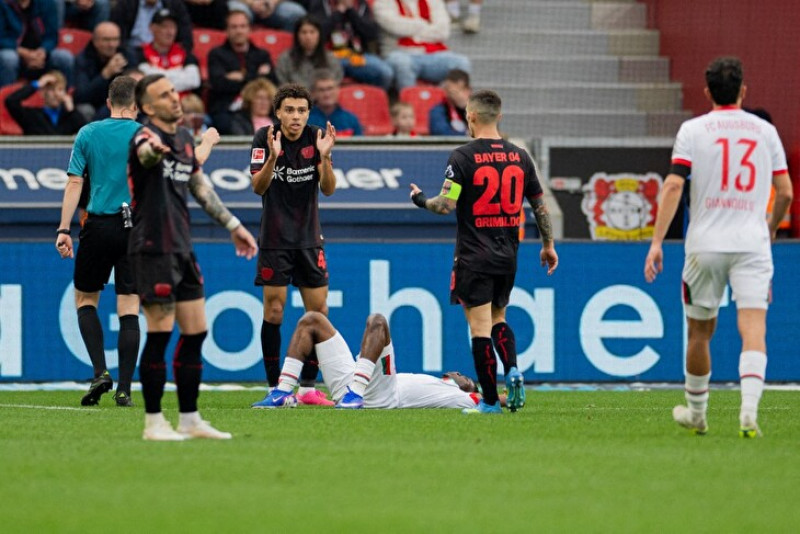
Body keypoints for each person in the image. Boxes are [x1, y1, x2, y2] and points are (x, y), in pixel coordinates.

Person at [643, 57, 793, 438]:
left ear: (707, 91)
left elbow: (674, 185)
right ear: (743, 90)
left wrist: (657, 242)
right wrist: (769, 228)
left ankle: (697, 413)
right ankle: (749, 412)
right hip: (751, 243)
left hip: (705, 244)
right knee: (753, 326)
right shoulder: (765, 132)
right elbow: (786, 192)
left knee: (699, 331)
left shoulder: (693, 130)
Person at [408, 89, 558, 414]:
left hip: (474, 255)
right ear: (499, 116)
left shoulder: (462, 157)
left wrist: (420, 199)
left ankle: (490, 401)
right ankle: (512, 368)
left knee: (479, 328)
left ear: (471, 116)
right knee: (499, 318)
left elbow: (445, 205)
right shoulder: (521, 156)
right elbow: (540, 206)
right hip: (508, 255)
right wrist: (548, 245)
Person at [129, 73, 258, 440]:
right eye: (164, 95)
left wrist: (233, 224)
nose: (174, 97)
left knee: (197, 331)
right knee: (159, 334)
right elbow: (145, 154)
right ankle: (154, 422)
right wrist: (154, 151)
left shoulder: (185, 139)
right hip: (152, 247)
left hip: (181, 245)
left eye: (174, 91)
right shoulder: (144, 137)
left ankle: (189, 419)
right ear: (148, 107)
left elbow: (199, 187)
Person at [248, 83, 337, 408]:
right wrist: (273, 157)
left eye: (301, 110)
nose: (296, 116)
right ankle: (276, 388)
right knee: (274, 311)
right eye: (289, 110)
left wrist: (325, 157)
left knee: (318, 313)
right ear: (278, 113)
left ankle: (308, 389)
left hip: (309, 239)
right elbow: (258, 187)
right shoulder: (265, 138)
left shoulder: (317, 137)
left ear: (308, 113)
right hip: (275, 239)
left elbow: (328, 189)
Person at [55, 76, 142, 408]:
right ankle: (124, 389)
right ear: (136, 105)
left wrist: (64, 229)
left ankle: (100, 372)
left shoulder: (88, 133)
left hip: (99, 225)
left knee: (85, 299)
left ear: (108, 103)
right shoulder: (145, 135)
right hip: (134, 227)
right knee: (129, 307)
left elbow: (75, 182)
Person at [258, 311, 484, 409]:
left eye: (466, 378)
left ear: (466, 388)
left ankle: (354, 395)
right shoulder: (436, 381)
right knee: (312, 320)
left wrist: (501, 396)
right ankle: (282, 391)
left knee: (378, 321)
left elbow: (491, 400)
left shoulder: (458, 396)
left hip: (380, 395)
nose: (460, 373)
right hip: (354, 380)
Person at [207, 8, 278, 135]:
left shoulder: (262, 54)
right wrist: (256, 76)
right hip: (226, 109)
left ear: (249, 29)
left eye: (242, 26)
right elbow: (219, 85)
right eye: (234, 27)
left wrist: (240, 77)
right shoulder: (216, 54)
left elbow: (271, 84)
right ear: (226, 30)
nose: (239, 31)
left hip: (258, 107)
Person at [372, 0, 471, 90]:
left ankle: (452, 102)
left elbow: (443, 32)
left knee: (461, 62)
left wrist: (413, 31)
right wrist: (424, 24)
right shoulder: (383, 2)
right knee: (402, 63)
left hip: (432, 54)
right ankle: (410, 101)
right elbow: (395, 27)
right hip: (400, 53)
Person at [307, 0, 393, 90]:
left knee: (385, 73)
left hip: (357, 55)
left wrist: (351, 11)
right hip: (329, 56)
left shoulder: (361, 5)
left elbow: (371, 34)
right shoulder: (321, 4)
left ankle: (371, 97)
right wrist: (338, 13)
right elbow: (318, 33)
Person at [0, 0, 74, 87]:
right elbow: (2, 38)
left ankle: (64, 93)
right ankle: (5, 94)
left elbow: (52, 36)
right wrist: (22, 52)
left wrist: (43, 51)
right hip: (16, 52)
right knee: (8, 58)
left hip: (41, 55)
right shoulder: (3, 4)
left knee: (64, 57)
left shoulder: (47, 3)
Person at [132, 9, 202, 96]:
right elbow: (144, 82)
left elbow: (194, 81)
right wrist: (178, 73)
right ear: (152, 28)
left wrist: (157, 76)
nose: (170, 32)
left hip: (182, 102)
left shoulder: (185, 52)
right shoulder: (140, 53)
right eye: (164, 27)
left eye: (173, 27)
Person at [73, 22, 131, 121]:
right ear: (95, 41)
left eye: (115, 39)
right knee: (85, 110)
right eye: (106, 40)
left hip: (120, 104)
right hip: (96, 105)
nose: (112, 44)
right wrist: (105, 74)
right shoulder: (83, 59)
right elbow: (81, 96)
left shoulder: (126, 54)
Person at [5, 71, 86, 135]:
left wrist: (72, 110)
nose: (56, 94)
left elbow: (87, 135)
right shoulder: (32, 116)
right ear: (42, 93)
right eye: (51, 89)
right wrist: (37, 84)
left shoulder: (70, 116)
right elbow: (11, 101)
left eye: (60, 89)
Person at [275, 15, 343, 88]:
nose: (308, 37)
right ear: (297, 35)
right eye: (304, 32)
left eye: (312, 32)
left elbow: (336, 82)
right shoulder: (285, 58)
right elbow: (282, 83)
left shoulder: (330, 58)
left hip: (324, 94)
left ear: (319, 35)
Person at [112, 0, 194, 56]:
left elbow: (186, 39)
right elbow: (117, 35)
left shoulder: (174, 5)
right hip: (134, 52)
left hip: (166, 52)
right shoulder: (126, 4)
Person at [307, 68, 362, 136]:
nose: (327, 94)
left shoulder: (351, 119)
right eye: (321, 90)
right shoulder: (306, 119)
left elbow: (360, 142)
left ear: (338, 89)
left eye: (330, 88)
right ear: (313, 93)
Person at [428, 68, 469, 136]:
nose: (457, 95)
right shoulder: (438, 110)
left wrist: (465, 108)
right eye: (452, 92)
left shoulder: (475, 110)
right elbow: (441, 134)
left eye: (459, 91)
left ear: (467, 91)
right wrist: (466, 134)